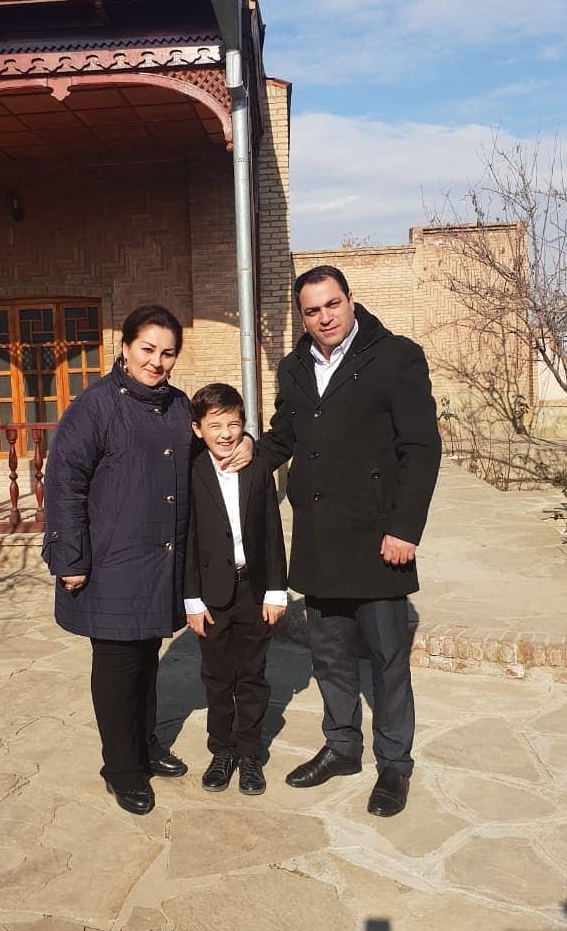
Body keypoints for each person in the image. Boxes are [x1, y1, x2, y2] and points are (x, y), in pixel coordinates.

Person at [252, 264, 441, 817]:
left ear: (350, 300)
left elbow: (421, 448)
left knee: (387, 661)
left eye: (332, 304)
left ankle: (394, 765)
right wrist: (241, 458)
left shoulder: (395, 357)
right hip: (319, 539)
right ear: (302, 316)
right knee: (330, 656)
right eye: (312, 310)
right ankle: (341, 747)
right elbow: (283, 436)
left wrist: (404, 528)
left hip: (379, 540)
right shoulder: (293, 367)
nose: (324, 317)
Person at [41, 304, 193, 816]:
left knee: (146, 658)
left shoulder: (177, 405)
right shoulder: (95, 407)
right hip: (111, 560)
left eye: (167, 353)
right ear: (125, 347)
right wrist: (69, 557)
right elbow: (64, 483)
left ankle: (145, 744)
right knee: (117, 665)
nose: (156, 361)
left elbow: (205, 452)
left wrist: (244, 447)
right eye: (147, 349)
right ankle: (122, 768)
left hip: (160, 557)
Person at [183, 383, 288, 796]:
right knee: (216, 677)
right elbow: (188, 537)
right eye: (215, 426)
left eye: (233, 424)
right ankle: (222, 751)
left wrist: (276, 590)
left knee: (252, 676)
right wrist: (192, 598)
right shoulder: (192, 470)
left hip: (253, 589)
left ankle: (249, 754)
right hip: (211, 596)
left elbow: (271, 531)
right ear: (197, 429)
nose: (226, 434)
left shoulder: (256, 467)